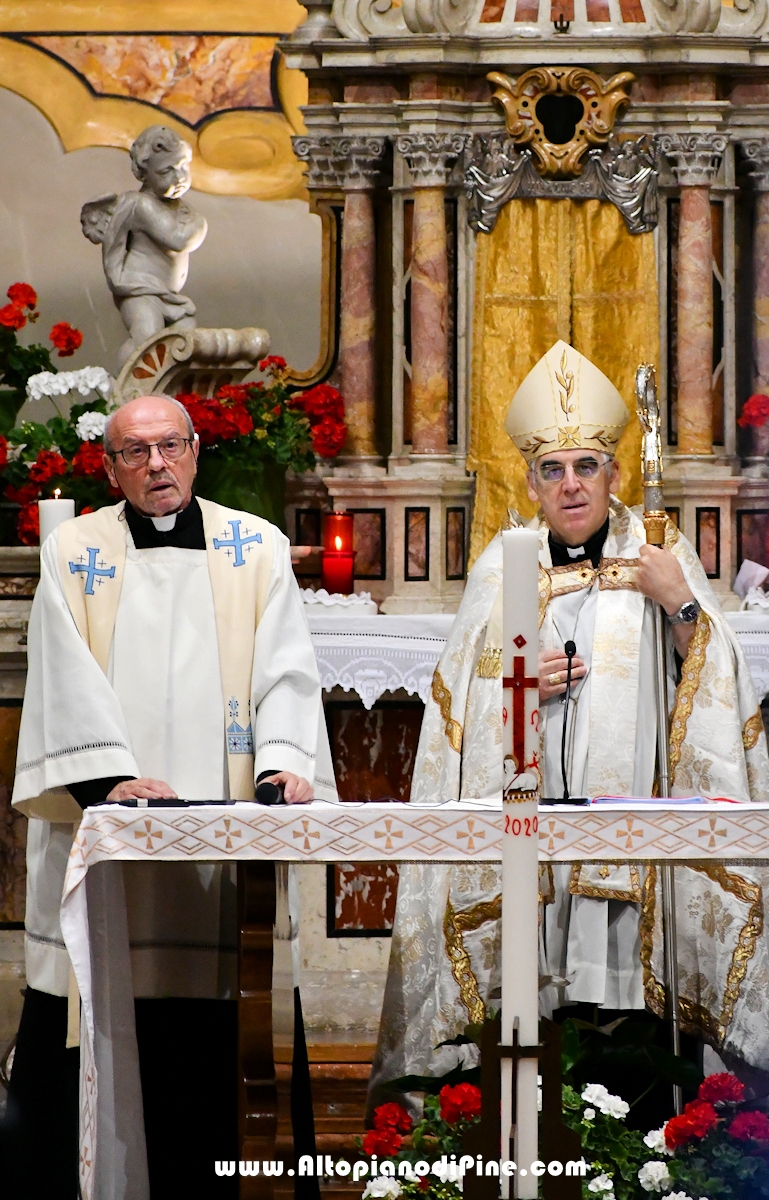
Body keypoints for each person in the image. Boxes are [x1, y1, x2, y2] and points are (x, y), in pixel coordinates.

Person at [370, 340, 769, 1108]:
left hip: (631, 857)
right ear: (531, 482)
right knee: (536, 1010)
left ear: (615, 474)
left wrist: (679, 603)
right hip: (528, 857)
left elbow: (716, 684)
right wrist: (517, 684)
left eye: (587, 467)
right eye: (553, 470)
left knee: (622, 1033)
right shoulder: (505, 565)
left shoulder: (659, 556)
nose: (571, 486)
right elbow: (458, 712)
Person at [4, 393, 335, 1198]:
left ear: (195, 451)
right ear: (110, 467)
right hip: (105, 836)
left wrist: (280, 765)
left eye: (171, 447)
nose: (157, 465)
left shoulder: (254, 548)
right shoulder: (75, 549)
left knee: (214, 1028)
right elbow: (63, 676)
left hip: (219, 858)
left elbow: (287, 667)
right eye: (135, 452)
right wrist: (106, 780)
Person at [81, 125, 208, 368]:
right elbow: (178, 239)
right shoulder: (141, 205)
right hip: (140, 290)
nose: (179, 177)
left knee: (185, 340)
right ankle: (119, 391)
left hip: (168, 295)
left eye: (183, 166)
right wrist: (201, 224)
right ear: (144, 173)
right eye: (167, 171)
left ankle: (168, 396)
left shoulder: (180, 208)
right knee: (146, 336)